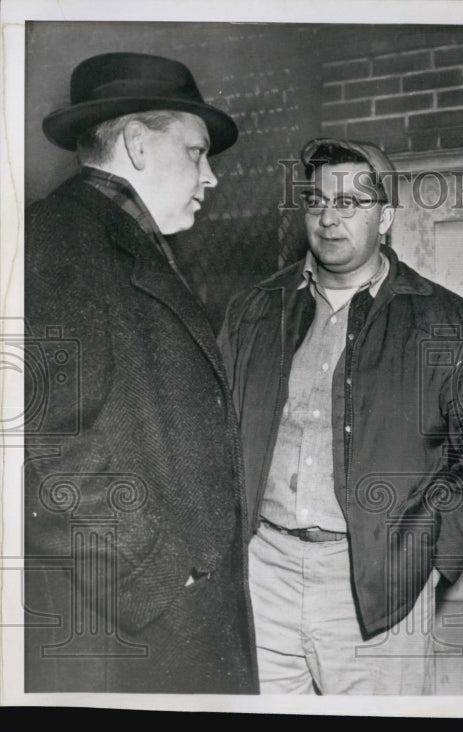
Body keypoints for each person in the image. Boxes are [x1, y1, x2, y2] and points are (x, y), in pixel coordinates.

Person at [217, 138, 463, 695]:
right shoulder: (255, 309)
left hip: (376, 581)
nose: (329, 218)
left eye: (351, 203)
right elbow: (213, 432)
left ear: (387, 217)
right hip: (264, 572)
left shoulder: (445, 320)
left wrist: (427, 554)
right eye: (316, 201)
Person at [24, 52, 256, 693]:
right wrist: (159, 574)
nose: (210, 178)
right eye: (197, 152)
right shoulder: (58, 241)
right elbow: (39, 448)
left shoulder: (112, 240)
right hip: (123, 635)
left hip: (159, 622)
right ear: (134, 143)